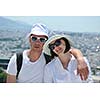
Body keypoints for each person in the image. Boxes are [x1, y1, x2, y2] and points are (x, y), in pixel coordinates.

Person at [6, 23, 89, 83]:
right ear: (29, 39)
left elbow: (66, 51)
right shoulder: (17, 59)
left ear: (46, 44)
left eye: (42, 40)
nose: (37, 42)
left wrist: (80, 58)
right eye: (34, 38)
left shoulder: (48, 58)